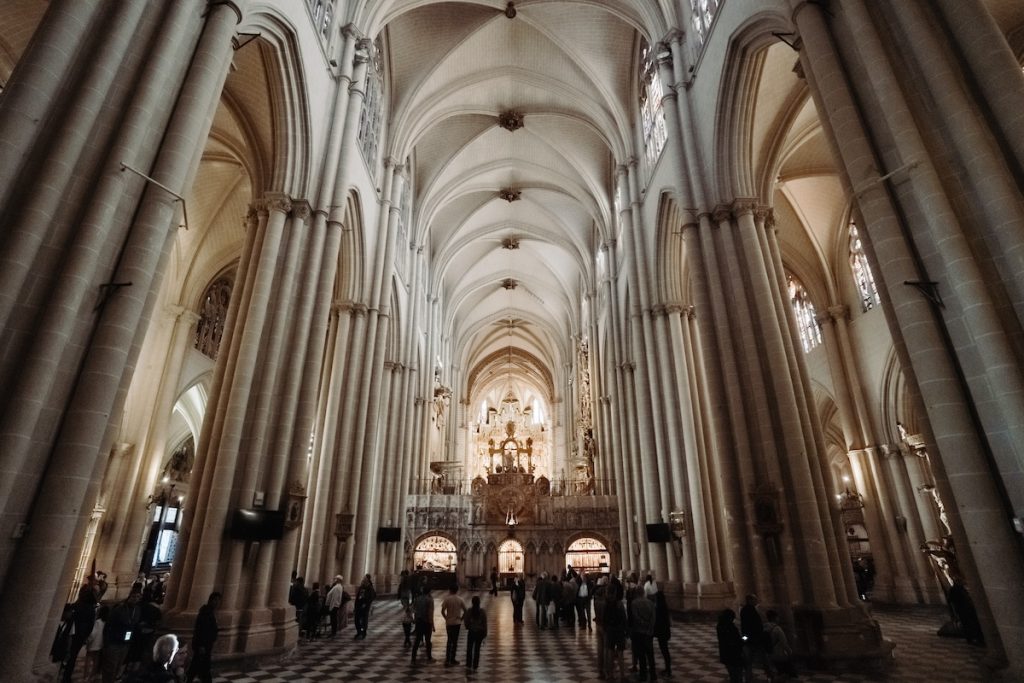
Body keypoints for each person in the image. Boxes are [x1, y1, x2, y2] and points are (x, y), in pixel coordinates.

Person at [102, 587, 143, 683]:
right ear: (129, 597)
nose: (135, 599)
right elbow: (109, 625)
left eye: (138, 597)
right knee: (110, 667)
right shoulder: (119, 608)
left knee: (118, 666)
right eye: (133, 596)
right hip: (114, 641)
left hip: (126, 642)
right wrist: (106, 642)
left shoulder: (137, 610)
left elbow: (135, 624)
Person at [64, 584, 98, 682]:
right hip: (80, 635)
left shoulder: (77, 605)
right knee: (73, 656)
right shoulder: (91, 609)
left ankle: (65, 673)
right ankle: (66, 677)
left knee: (68, 654)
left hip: (71, 633)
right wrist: (85, 636)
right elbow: (90, 625)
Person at [185, 592, 220, 683]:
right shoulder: (206, 612)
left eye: (218, 600)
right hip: (203, 645)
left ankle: (188, 679)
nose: (217, 602)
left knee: (197, 666)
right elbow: (201, 629)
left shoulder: (209, 611)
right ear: (210, 600)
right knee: (201, 667)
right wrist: (201, 645)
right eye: (215, 600)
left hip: (206, 645)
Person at [603, 578, 628, 682]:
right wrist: (626, 631)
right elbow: (624, 618)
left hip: (609, 630)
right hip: (619, 630)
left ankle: (611, 675)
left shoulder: (606, 604)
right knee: (620, 653)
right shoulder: (619, 604)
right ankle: (622, 676)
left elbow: (604, 619)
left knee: (610, 652)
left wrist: (606, 629)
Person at [629, 589, 656, 681]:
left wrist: (643, 624)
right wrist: (649, 627)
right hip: (648, 632)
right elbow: (653, 617)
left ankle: (643, 675)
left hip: (639, 632)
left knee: (641, 655)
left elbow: (636, 617)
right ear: (643, 593)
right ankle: (653, 675)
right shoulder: (650, 603)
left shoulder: (634, 603)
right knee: (650, 655)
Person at [764, 609, 794, 682]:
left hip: (768, 654)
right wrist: (790, 652)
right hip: (779, 655)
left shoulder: (764, 627)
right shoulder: (777, 629)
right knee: (783, 674)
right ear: (775, 617)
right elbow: (784, 643)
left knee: (773, 673)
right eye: (777, 617)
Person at [740, 594, 765, 683]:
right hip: (754, 639)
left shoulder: (745, 610)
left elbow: (744, 628)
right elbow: (749, 626)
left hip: (750, 639)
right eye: (755, 599)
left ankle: (749, 678)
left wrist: (744, 639)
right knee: (762, 658)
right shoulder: (750, 610)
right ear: (750, 600)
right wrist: (745, 639)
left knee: (749, 661)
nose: (756, 601)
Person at [440, 584, 465, 666]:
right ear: (457, 590)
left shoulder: (447, 599)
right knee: (455, 641)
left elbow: (442, 611)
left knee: (449, 640)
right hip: (457, 623)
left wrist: (446, 618)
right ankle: (453, 658)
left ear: (450, 590)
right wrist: (461, 619)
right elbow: (466, 610)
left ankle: (447, 659)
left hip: (449, 623)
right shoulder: (460, 599)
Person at [717, 608, 744, 683]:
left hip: (725, 654)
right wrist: (744, 639)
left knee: (732, 676)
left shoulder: (720, 626)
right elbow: (737, 641)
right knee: (737, 676)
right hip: (734, 655)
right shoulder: (731, 628)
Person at [463, 595, 488, 672]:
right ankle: (475, 665)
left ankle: (468, 664)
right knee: (477, 649)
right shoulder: (482, 612)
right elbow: (485, 623)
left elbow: (466, 621)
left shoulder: (469, 611)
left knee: (469, 648)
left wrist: (468, 627)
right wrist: (485, 633)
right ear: (479, 603)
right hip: (480, 633)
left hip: (472, 632)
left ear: (472, 602)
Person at [84, 605, 108, 683]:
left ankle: (86, 676)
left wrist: (88, 640)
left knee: (88, 660)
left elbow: (93, 634)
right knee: (96, 661)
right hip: (100, 644)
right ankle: (92, 676)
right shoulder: (106, 622)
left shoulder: (98, 622)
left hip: (93, 644)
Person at [411, 585, 435, 664]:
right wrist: (432, 624)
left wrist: (415, 619)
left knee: (417, 640)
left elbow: (414, 610)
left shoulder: (417, 599)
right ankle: (429, 657)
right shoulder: (429, 600)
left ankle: (413, 658)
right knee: (428, 641)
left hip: (419, 622)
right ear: (429, 592)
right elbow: (430, 613)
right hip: (427, 622)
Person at [653, 590, 672, 677]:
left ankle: (668, 670)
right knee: (665, 651)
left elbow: (657, 621)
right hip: (665, 631)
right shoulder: (664, 607)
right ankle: (668, 668)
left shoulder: (658, 609)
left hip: (661, 632)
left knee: (664, 650)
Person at [353, 574, 376, 640]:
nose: (363, 580)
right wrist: (355, 606)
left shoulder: (370, 588)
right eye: (363, 579)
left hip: (365, 607)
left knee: (364, 620)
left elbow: (372, 597)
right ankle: (359, 632)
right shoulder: (361, 587)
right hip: (358, 606)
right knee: (357, 620)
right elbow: (358, 597)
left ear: (368, 581)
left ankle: (363, 633)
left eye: (364, 579)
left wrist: (366, 604)